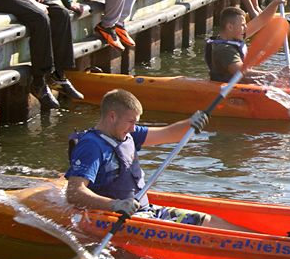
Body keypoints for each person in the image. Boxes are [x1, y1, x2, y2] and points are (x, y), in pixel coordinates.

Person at [65, 89, 248, 231]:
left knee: (208, 221)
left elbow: (167, 133)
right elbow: (74, 193)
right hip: (119, 218)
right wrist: (115, 205)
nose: (133, 128)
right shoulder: (91, 146)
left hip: (146, 211)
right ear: (112, 116)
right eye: (131, 122)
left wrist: (190, 123)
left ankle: (269, 240)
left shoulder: (128, 133)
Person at [205, 5, 290, 88]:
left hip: (242, 83)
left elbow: (262, 20)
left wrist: (275, 2)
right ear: (230, 27)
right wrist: (278, 74)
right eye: (243, 25)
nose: (246, 28)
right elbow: (242, 73)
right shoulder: (224, 50)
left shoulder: (233, 36)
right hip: (233, 88)